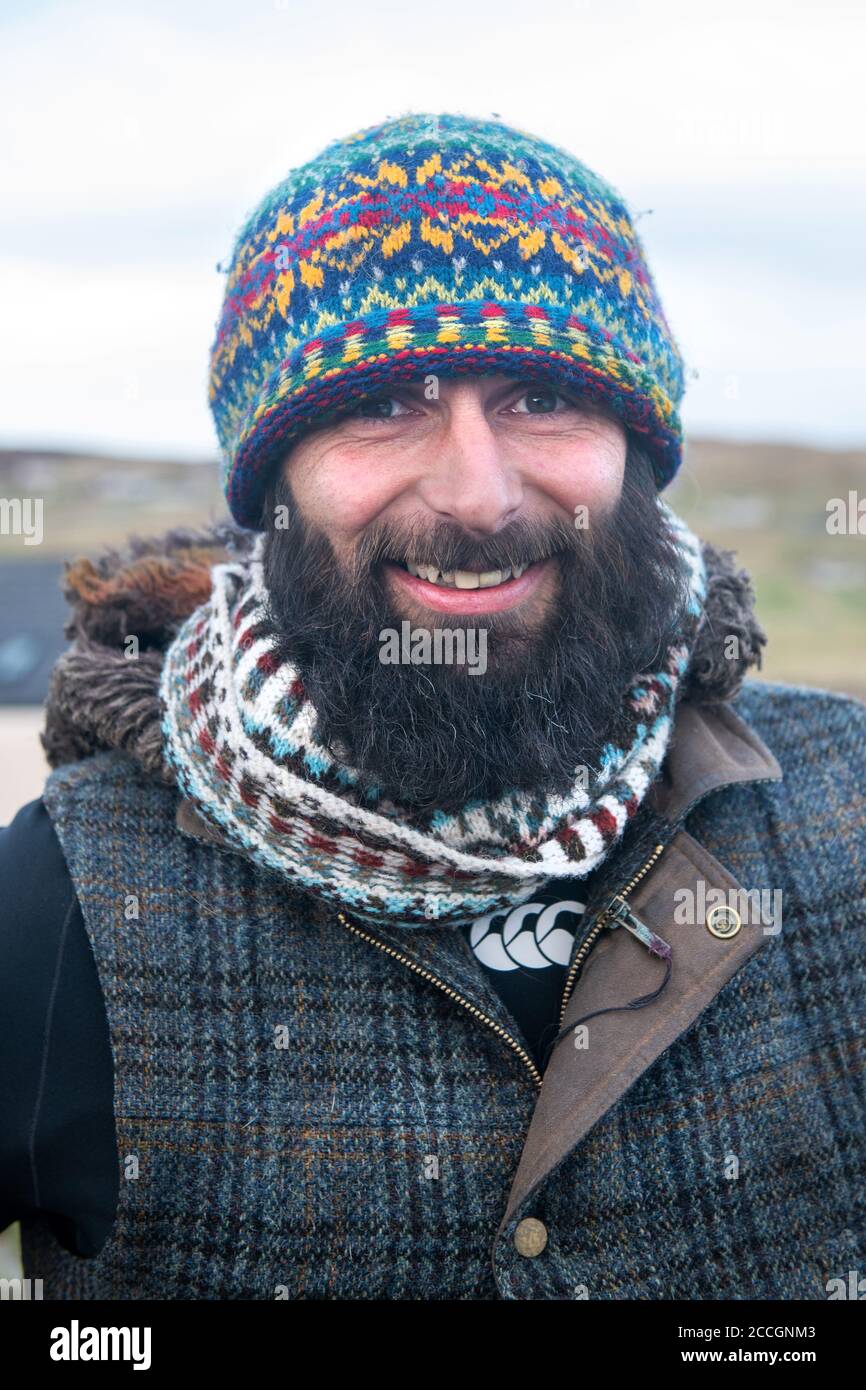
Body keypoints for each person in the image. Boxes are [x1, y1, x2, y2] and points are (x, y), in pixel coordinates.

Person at [2, 111, 864, 1301]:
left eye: (537, 397)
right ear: (273, 482)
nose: (475, 494)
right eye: (384, 404)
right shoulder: (64, 897)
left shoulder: (847, 805)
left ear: (633, 450)